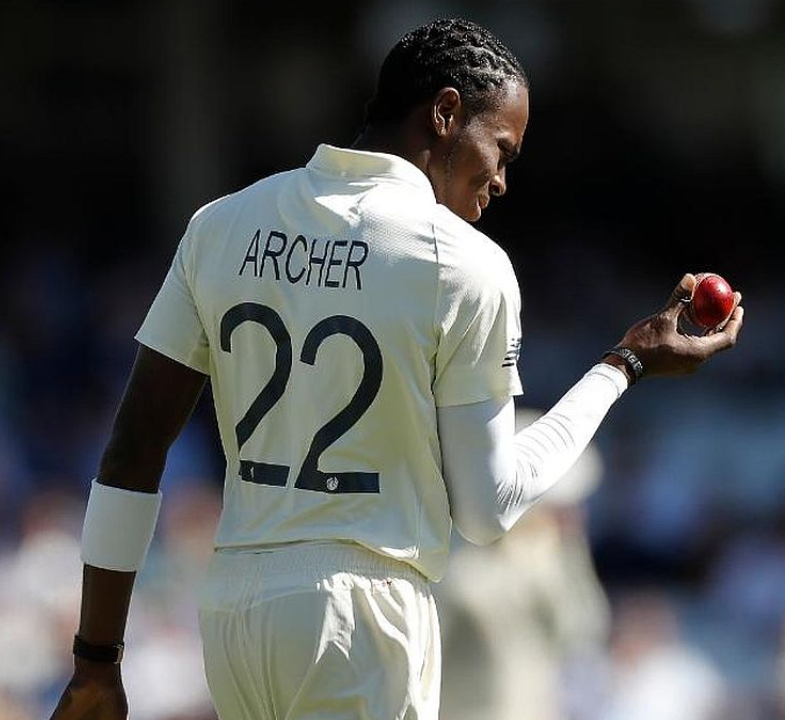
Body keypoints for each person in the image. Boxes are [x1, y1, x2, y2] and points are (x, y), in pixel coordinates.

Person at [48, 17, 744, 720]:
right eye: (500, 150)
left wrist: (95, 662)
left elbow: (132, 452)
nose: (501, 181)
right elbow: (488, 505)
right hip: (364, 614)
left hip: (234, 609)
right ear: (444, 114)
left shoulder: (221, 224)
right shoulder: (464, 263)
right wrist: (625, 364)